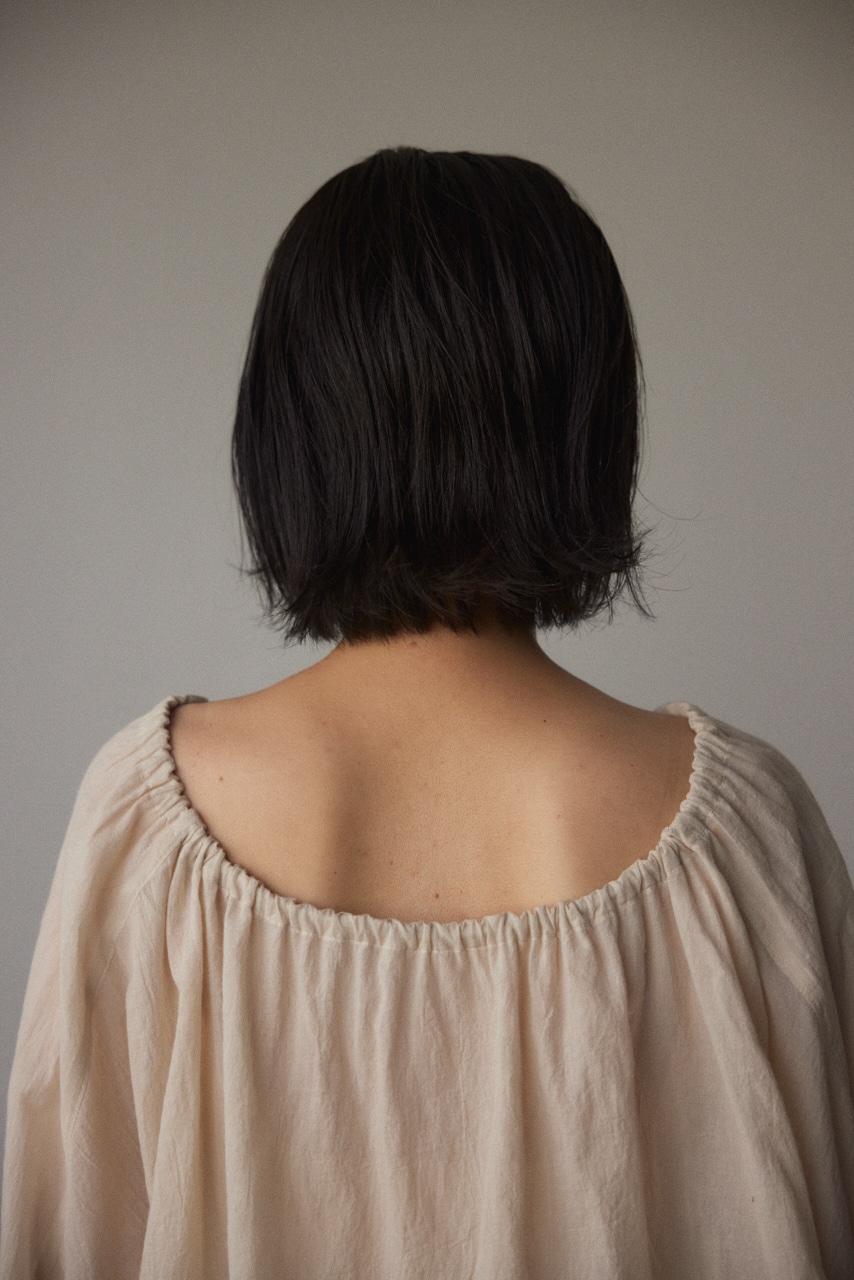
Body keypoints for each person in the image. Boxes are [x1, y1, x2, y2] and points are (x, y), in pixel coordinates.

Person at [1, 147, 852, 1280]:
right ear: (587, 423)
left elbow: (58, 1241)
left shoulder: (142, 827)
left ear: (291, 432)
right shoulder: (748, 840)